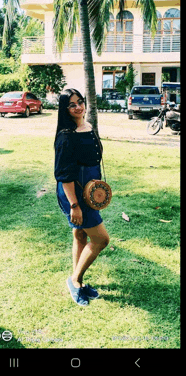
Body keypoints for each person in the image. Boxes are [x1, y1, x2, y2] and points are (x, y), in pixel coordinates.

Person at [54, 88, 110, 306]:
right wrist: (74, 204)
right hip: (74, 193)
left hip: (89, 189)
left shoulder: (87, 127)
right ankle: (75, 280)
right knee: (101, 239)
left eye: (80, 102)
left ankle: (78, 282)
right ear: (65, 109)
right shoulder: (66, 136)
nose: (78, 107)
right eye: (72, 104)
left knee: (79, 235)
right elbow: (64, 175)